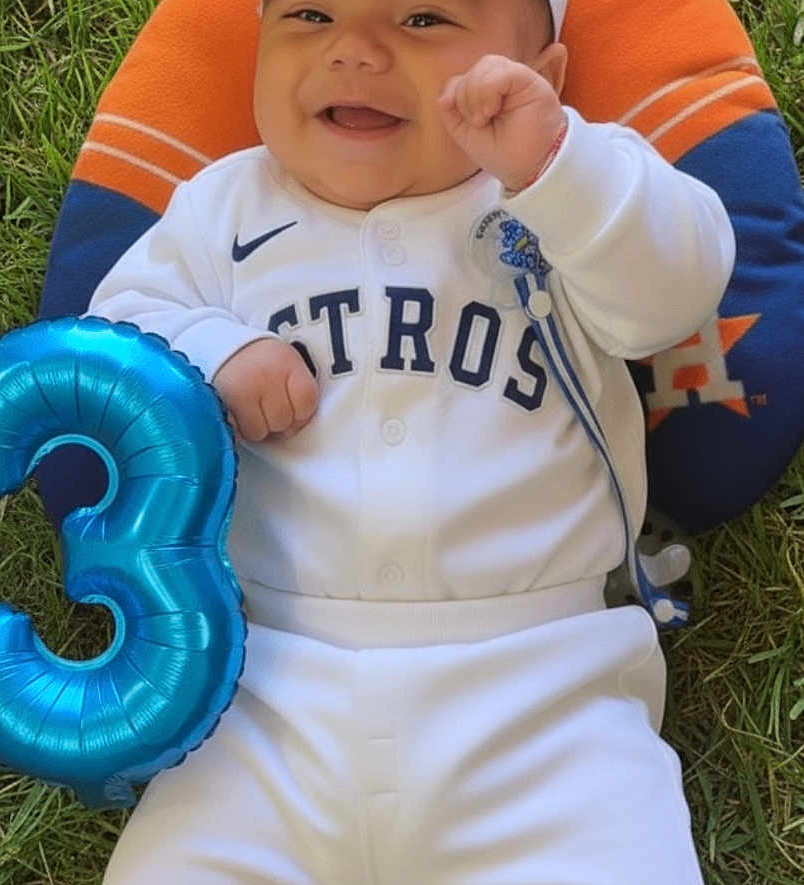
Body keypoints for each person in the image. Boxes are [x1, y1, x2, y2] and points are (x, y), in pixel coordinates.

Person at [90, 0, 735, 881]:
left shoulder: (561, 196)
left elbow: (673, 294)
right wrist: (209, 352)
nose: (353, 51)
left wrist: (556, 161)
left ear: (539, 77)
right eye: (309, 13)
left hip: (543, 695)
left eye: (424, 19)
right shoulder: (224, 208)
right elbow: (115, 336)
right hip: (253, 689)